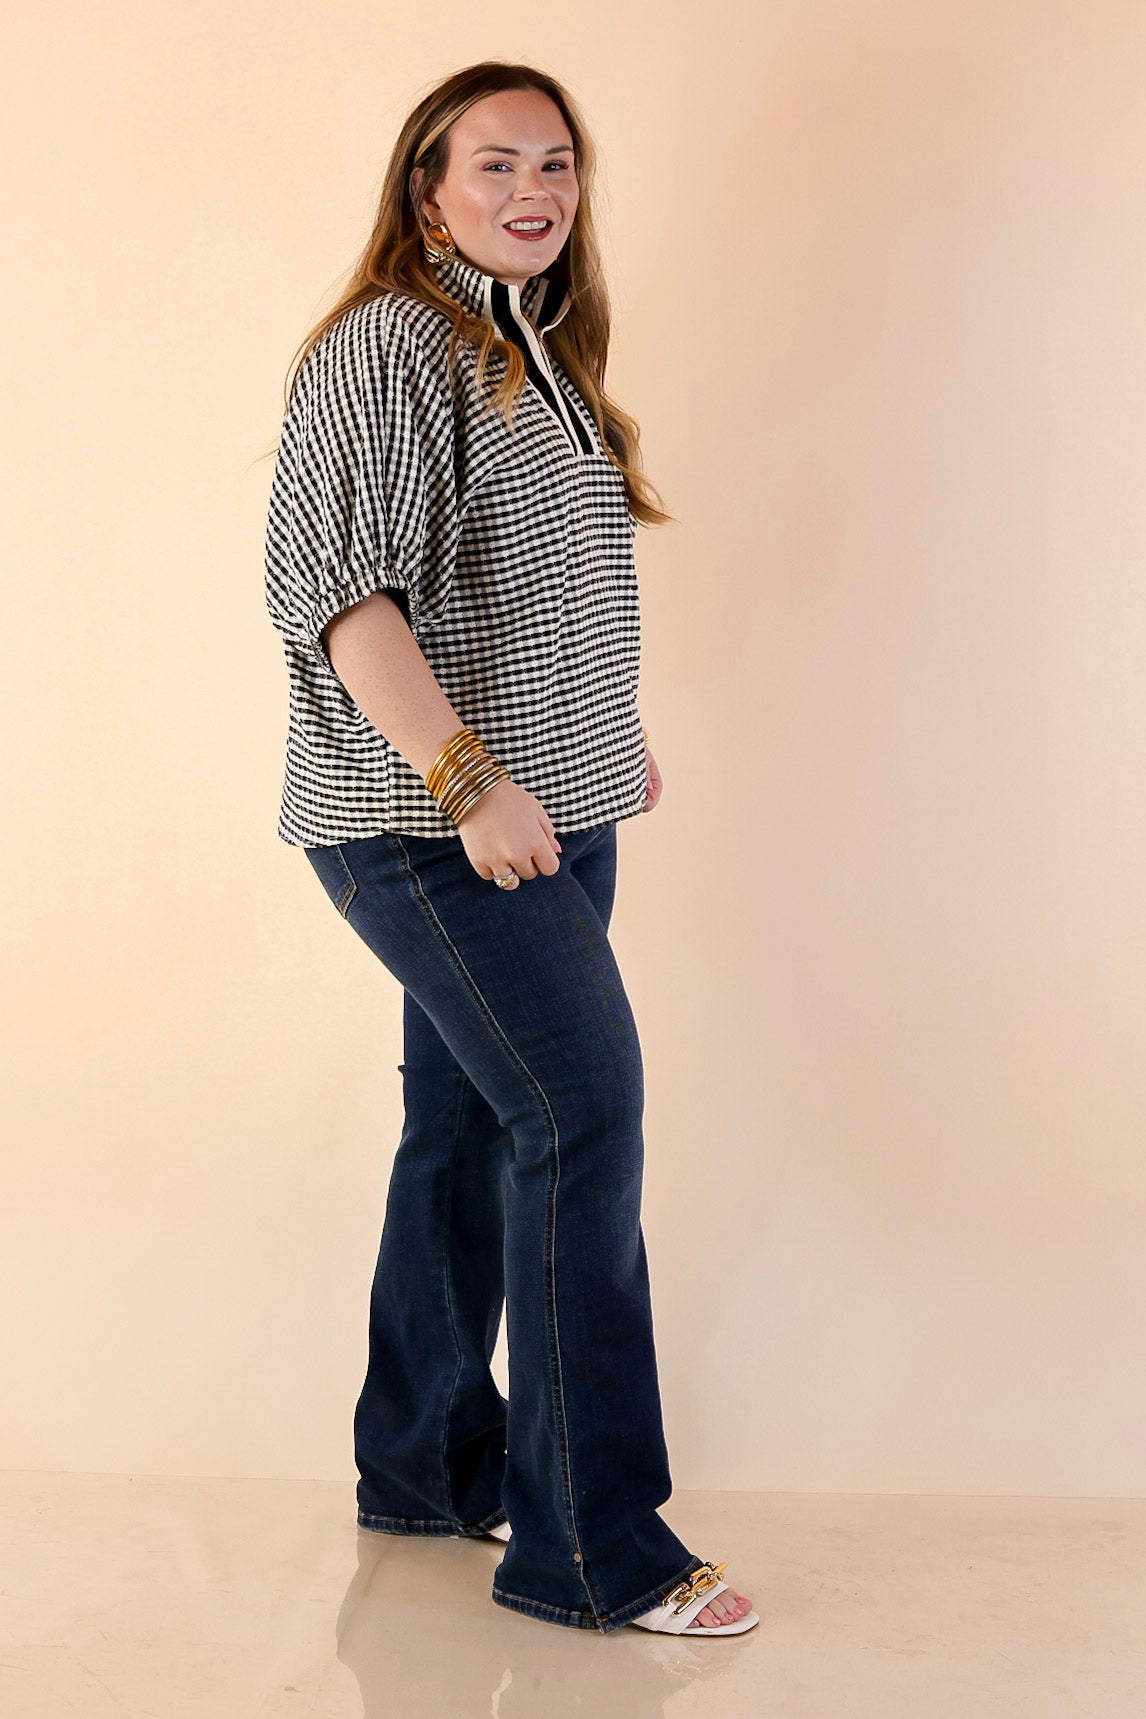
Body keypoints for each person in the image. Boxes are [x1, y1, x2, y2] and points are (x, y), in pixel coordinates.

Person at [263, 59, 759, 1638]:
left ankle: (422, 1464)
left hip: (544, 814)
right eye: (495, 165)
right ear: (426, 190)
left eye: (556, 163)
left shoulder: (527, 344)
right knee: (578, 1115)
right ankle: (590, 1550)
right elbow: (346, 604)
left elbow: (528, 590)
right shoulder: (386, 347)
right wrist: (473, 784)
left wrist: (602, 741)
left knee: (470, 1129)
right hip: (427, 822)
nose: (533, 191)